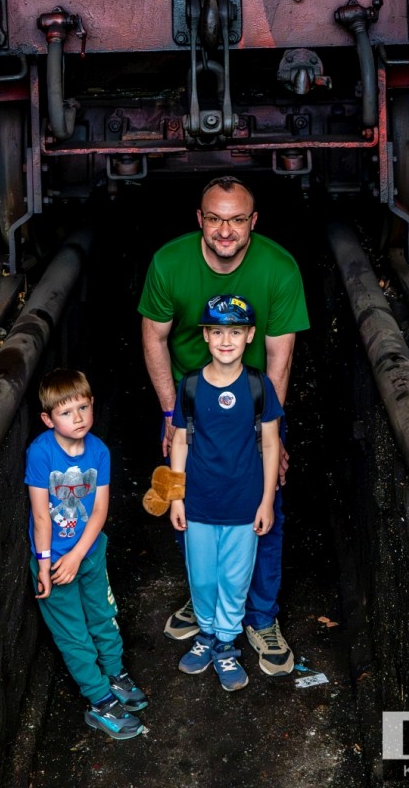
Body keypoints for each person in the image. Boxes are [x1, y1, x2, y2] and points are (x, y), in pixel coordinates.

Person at [139, 175, 310, 675]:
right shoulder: (169, 262)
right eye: (215, 218)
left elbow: (280, 356)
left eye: (236, 220)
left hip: (253, 407)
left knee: (265, 508)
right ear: (200, 219)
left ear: (253, 222)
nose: (225, 230)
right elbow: (153, 339)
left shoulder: (279, 267)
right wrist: (171, 414)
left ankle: (260, 617)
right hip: (192, 404)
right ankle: (207, 602)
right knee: (187, 500)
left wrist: (267, 428)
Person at [24, 368, 148, 739]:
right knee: (74, 634)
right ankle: (99, 701)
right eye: (66, 412)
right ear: (48, 419)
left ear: (92, 405)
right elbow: (41, 516)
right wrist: (44, 566)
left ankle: (114, 674)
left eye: (82, 407)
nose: (77, 418)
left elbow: (99, 511)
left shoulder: (99, 451)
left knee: (103, 615)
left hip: (89, 553)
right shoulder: (41, 453)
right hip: (54, 562)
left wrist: (79, 554)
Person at [169, 294, 282, 691]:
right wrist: (176, 497)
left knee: (234, 579)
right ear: (205, 335)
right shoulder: (191, 385)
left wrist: (267, 501)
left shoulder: (258, 385)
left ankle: (226, 642)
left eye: (235, 332)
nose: (226, 340)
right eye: (217, 332)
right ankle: (205, 634)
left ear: (250, 335)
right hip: (199, 502)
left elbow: (271, 444)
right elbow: (179, 442)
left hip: (243, 503)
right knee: (202, 577)